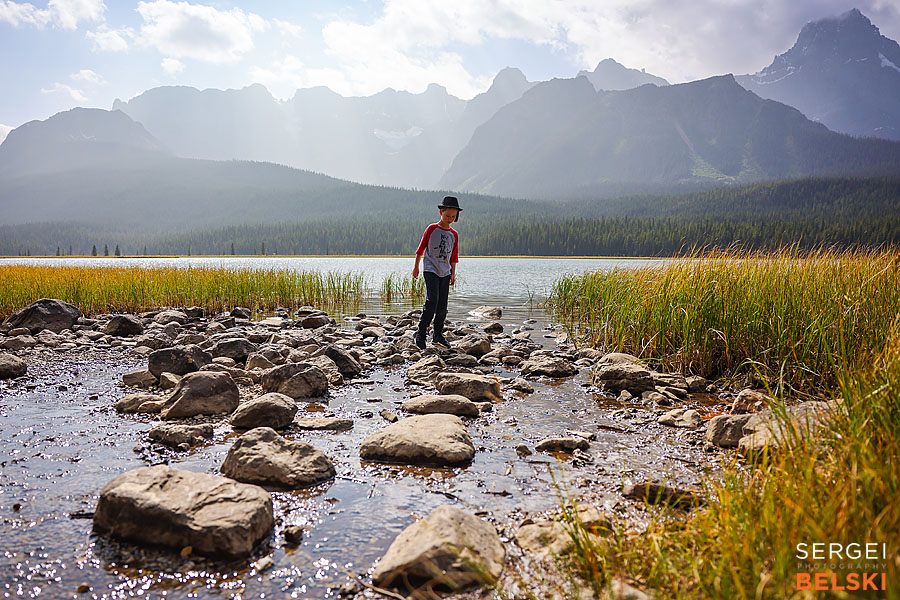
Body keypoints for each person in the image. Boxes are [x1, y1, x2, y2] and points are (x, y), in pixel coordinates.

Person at [412, 196, 461, 349]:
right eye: (447, 215)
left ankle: (438, 334)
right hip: (430, 269)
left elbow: (454, 256)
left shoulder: (454, 234)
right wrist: (416, 267)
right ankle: (421, 333)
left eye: (453, 216)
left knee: (442, 305)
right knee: (432, 300)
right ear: (441, 212)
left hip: (445, 272)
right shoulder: (432, 229)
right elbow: (421, 249)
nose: (450, 219)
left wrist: (453, 273)